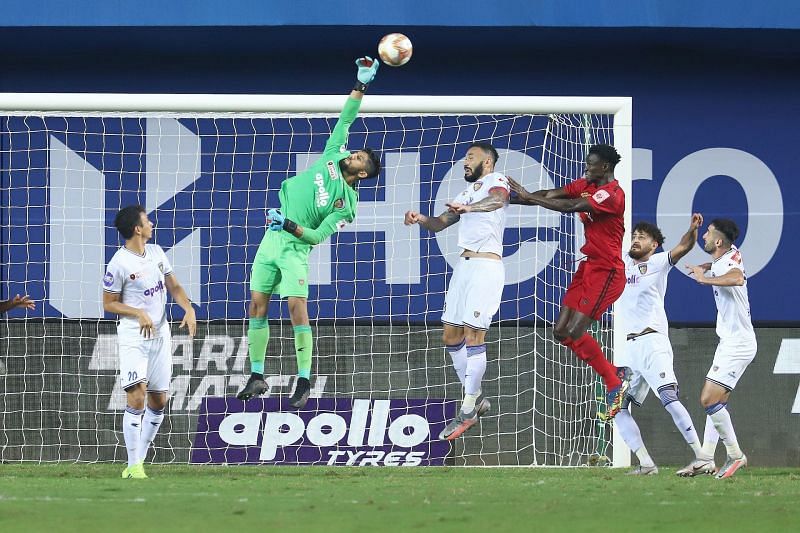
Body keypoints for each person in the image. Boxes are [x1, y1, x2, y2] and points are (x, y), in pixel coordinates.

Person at [236, 57, 382, 408]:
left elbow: (316, 237)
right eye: (356, 152)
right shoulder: (332, 156)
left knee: (295, 307)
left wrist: (287, 224)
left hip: (293, 247)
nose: (354, 154)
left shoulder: (346, 204)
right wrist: (361, 85)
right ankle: (257, 375)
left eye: (360, 158)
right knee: (257, 306)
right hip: (271, 239)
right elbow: (346, 117)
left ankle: (303, 378)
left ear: (362, 173)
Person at [507, 144, 631, 418]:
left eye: (591, 164)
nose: (586, 168)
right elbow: (550, 195)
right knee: (561, 331)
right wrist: (511, 199)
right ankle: (615, 373)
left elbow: (571, 206)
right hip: (588, 267)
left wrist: (530, 197)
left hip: (607, 272)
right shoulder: (587, 184)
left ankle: (614, 384)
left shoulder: (613, 195)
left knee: (576, 331)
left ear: (605, 167)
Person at [404, 142, 509, 440]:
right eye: (465, 158)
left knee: (474, 336)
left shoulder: (495, 181)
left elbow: (498, 201)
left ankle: (467, 410)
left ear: (487, 162)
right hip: (462, 268)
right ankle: (475, 398)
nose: (466, 162)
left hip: (486, 268)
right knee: (450, 336)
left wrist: (470, 208)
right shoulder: (467, 192)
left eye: (471, 157)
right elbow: (439, 224)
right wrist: (420, 218)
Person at [103, 205, 196, 479]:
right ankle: (133, 465)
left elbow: (174, 287)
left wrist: (188, 308)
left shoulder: (156, 253)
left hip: (160, 333)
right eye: (147, 220)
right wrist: (138, 312)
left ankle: (138, 461)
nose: (152, 223)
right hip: (134, 335)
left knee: (158, 400)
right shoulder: (119, 263)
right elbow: (109, 304)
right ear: (137, 228)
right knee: (137, 396)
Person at [614, 215, 710, 476]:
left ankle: (702, 457)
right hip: (629, 349)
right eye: (634, 236)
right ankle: (645, 463)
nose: (635, 239)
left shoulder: (658, 262)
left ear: (654, 245)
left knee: (668, 398)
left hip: (652, 342)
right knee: (616, 406)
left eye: (642, 237)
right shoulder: (622, 264)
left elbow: (683, 247)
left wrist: (692, 230)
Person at [685, 218, 755, 479]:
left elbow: (737, 278)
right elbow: (728, 264)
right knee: (717, 403)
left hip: (737, 344)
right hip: (732, 341)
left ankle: (736, 456)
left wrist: (705, 278)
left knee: (707, 398)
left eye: (708, 233)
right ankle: (706, 458)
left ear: (718, 242)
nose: (703, 236)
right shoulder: (729, 254)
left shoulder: (728, 264)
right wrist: (707, 266)